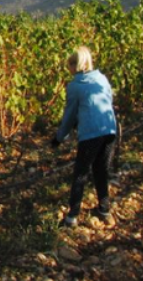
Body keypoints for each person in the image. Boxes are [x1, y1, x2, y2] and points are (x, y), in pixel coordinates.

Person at [51, 46, 117, 228]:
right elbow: (107, 101)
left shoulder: (75, 86)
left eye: (69, 65)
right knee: (101, 169)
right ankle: (104, 209)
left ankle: (72, 217)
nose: (68, 69)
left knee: (81, 173)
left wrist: (59, 137)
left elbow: (69, 115)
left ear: (75, 65)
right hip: (109, 128)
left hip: (92, 133)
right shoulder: (101, 78)